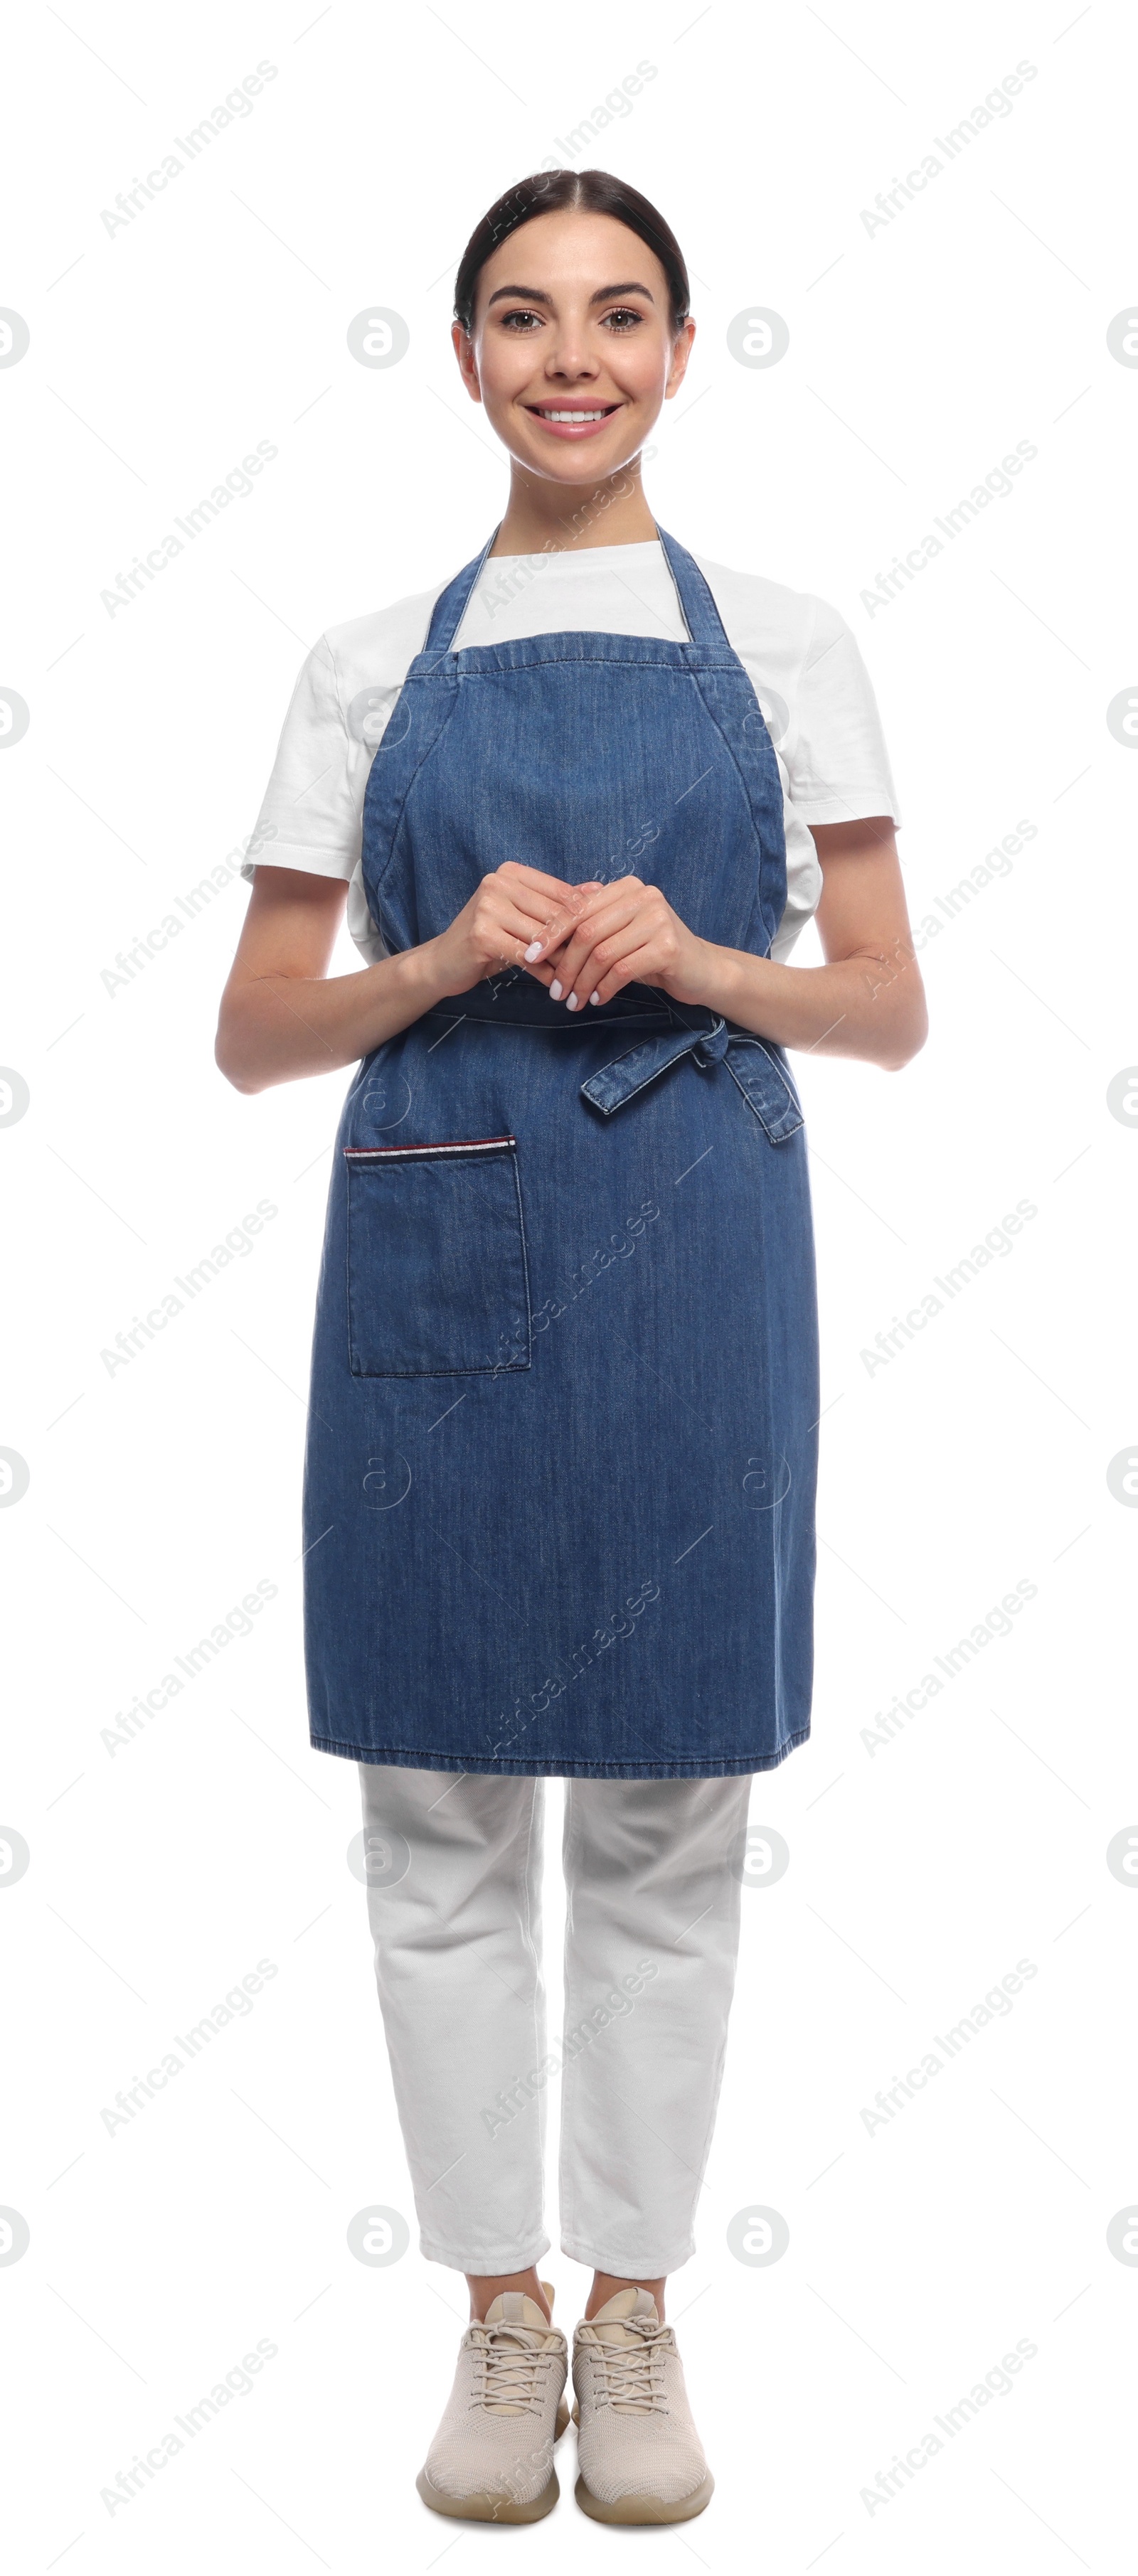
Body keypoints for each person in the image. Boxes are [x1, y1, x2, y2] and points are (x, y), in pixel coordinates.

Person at [216, 166, 927, 2529]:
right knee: (433, 1815)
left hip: (694, 1244)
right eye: (522, 318)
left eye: (619, 316)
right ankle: (492, 2310)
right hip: (437, 1234)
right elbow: (250, 1034)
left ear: (685, 351)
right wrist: (435, 965)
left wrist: (705, 953)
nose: (572, 357)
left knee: (663, 1805)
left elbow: (894, 1008)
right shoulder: (359, 663)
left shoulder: (798, 642)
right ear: (461, 361)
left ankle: (636, 2310)